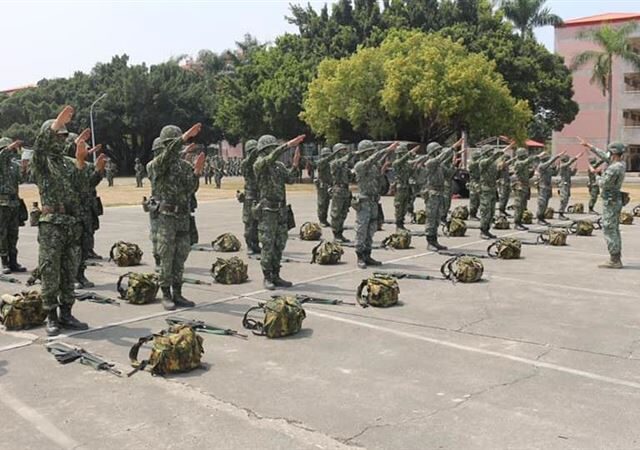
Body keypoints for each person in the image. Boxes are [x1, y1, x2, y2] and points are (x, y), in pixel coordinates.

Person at [31, 106, 102, 335]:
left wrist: (85, 164)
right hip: (52, 222)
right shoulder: (43, 162)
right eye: (58, 136)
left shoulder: (67, 163)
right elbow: (40, 149)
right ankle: (51, 315)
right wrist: (54, 125)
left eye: (63, 136)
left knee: (69, 271)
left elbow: (84, 186)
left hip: (71, 223)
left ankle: (67, 313)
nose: (62, 139)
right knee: (50, 270)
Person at [147, 123, 205, 310]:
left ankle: (178, 293)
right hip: (165, 218)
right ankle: (165, 294)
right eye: (173, 143)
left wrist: (196, 173)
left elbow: (190, 189)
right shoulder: (156, 165)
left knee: (181, 255)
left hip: (182, 217)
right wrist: (183, 138)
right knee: (166, 256)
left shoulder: (184, 166)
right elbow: (165, 159)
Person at [253, 134, 304, 290]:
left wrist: (295, 165)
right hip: (267, 211)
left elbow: (290, 180)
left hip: (281, 210)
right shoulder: (259, 164)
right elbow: (268, 160)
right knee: (268, 244)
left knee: (279, 243)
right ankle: (267, 276)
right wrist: (287, 145)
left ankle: (276, 274)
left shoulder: (279, 166)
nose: (273, 152)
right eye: (270, 149)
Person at [578, 138, 627, 268]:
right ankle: (616, 256)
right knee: (613, 228)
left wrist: (596, 174)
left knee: (609, 228)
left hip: (610, 201)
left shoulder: (614, 168)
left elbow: (603, 184)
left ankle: (615, 260)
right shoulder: (620, 163)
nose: (608, 154)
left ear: (614, 153)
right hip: (615, 199)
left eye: (610, 152)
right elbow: (603, 155)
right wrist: (589, 145)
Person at [353, 140, 397, 268]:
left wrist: (388, 153)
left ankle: (367, 254)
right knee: (362, 228)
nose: (372, 153)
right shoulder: (360, 165)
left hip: (373, 201)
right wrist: (386, 149)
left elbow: (378, 163)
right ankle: (360, 256)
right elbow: (373, 159)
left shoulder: (373, 166)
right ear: (364, 153)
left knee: (371, 228)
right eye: (369, 151)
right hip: (364, 200)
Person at [70, 130, 105, 288]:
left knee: (85, 245)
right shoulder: (67, 167)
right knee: (73, 247)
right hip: (72, 212)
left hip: (86, 210)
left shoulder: (86, 166)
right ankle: (72, 277)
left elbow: (90, 184)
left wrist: (98, 171)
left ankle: (80, 275)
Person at [413, 140, 461, 250]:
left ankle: (434, 240)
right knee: (431, 217)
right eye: (437, 151)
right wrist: (453, 147)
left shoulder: (439, 166)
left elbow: (448, 175)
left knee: (437, 217)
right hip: (432, 193)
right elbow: (440, 158)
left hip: (440, 192)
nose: (439, 153)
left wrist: (454, 166)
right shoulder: (430, 163)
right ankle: (430, 241)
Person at [0, 137, 28, 274]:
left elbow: (22, 180)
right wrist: (10, 147)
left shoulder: (13, 165)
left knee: (13, 233)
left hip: (14, 202)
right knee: (2, 233)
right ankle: (4, 262)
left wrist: (24, 168)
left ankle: (13, 261)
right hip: (2, 202)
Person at [478, 144, 511, 239]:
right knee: (485, 210)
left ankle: (487, 230)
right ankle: (483, 230)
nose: (491, 153)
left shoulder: (493, 164)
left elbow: (498, 173)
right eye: (490, 151)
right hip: (485, 190)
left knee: (491, 211)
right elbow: (489, 160)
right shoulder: (482, 162)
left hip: (492, 189)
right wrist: (497, 154)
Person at [511, 148, 542, 230]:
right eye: (524, 154)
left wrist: (532, 171)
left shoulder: (524, 165)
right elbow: (526, 162)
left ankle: (520, 222)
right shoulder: (518, 163)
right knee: (519, 205)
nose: (526, 156)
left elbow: (528, 175)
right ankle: (517, 223)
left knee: (523, 206)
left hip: (525, 186)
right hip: (520, 186)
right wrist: (536, 156)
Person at [240, 139, 261, 255]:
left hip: (260, 196)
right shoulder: (246, 164)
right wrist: (254, 152)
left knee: (258, 223)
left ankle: (256, 244)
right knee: (249, 223)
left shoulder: (259, 164)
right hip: (249, 197)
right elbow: (248, 162)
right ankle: (249, 245)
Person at [329, 143, 352, 242]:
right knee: (336, 213)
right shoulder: (334, 163)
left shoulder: (345, 164)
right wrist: (351, 155)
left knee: (343, 213)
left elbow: (349, 177)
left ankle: (340, 233)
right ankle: (336, 234)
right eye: (342, 150)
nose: (344, 152)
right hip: (338, 190)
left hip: (346, 190)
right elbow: (341, 161)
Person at [392, 144, 416, 230]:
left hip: (406, 186)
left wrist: (414, 161)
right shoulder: (396, 163)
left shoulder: (406, 165)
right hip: (400, 188)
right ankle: (398, 224)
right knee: (399, 206)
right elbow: (400, 161)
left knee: (405, 206)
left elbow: (411, 172)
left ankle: (401, 223)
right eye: (402, 153)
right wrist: (408, 154)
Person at [535, 151, 564, 225]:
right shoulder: (541, 166)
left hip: (548, 186)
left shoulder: (548, 167)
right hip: (542, 186)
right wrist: (557, 156)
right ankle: (539, 218)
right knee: (542, 203)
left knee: (546, 203)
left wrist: (557, 166)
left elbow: (554, 173)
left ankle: (542, 217)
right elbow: (549, 163)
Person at [314, 147, 340, 227]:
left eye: (328, 155)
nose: (327, 157)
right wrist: (334, 154)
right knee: (322, 204)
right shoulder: (321, 162)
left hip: (331, 185)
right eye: (325, 155)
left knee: (332, 204)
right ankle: (322, 220)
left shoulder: (331, 163)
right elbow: (323, 162)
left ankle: (333, 220)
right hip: (322, 186)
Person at [557, 153, 581, 219]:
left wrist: (575, 169)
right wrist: (576, 157)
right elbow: (569, 163)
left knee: (566, 199)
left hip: (567, 185)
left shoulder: (567, 168)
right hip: (563, 185)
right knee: (563, 199)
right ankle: (560, 213)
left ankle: (562, 212)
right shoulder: (562, 166)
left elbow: (571, 174)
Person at [496, 153, 514, 217]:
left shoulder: (506, 166)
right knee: (502, 197)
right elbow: (498, 173)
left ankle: (503, 210)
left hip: (507, 183)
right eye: (506, 159)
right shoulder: (501, 164)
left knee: (506, 197)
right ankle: (501, 211)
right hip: (502, 183)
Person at [467, 151, 481, 219]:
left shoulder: (478, 164)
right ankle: (472, 215)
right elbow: (472, 165)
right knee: (474, 200)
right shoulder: (471, 163)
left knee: (478, 200)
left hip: (479, 182)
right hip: (473, 183)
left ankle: (474, 214)